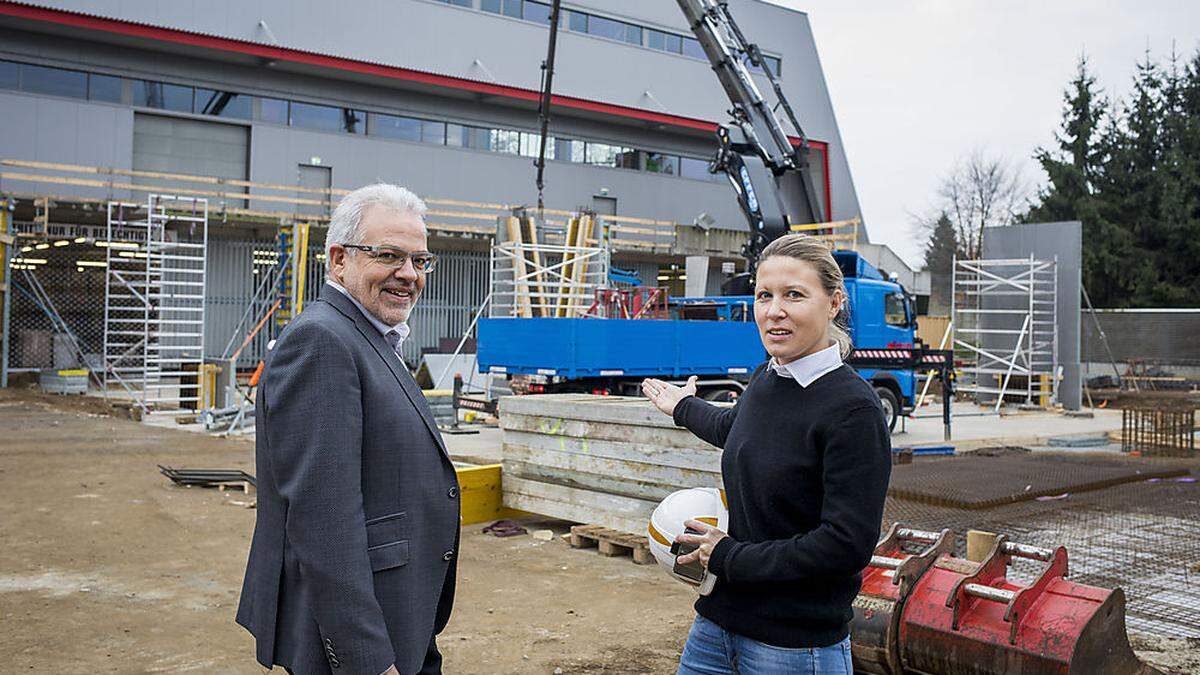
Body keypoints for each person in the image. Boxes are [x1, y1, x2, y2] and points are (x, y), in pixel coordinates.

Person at [237, 183, 460, 675]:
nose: (408, 274)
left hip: (399, 610)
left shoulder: (370, 337)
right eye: (389, 256)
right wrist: (367, 662)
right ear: (339, 261)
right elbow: (323, 520)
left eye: (420, 261)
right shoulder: (322, 341)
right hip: (358, 636)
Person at [642, 233, 891, 674]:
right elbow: (734, 429)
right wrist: (680, 406)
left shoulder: (853, 410)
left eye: (794, 295)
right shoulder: (767, 377)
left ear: (834, 303)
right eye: (764, 295)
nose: (774, 311)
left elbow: (844, 545)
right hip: (717, 625)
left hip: (793, 647)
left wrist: (727, 556)